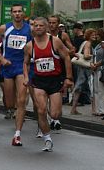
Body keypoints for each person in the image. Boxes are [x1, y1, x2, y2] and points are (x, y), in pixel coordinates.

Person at [23, 17, 73, 152]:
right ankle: (47, 138)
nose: (37, 28)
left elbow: (67, 57)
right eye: (35, 26)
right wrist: (26, 77)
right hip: (39, 81)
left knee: (55, 114)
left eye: (40, 26)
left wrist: (69, 77)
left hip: (55, 80)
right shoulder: (29, 45)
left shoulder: (55, 41)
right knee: (41, 110)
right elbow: (26, 63)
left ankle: (53, 120)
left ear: (46, 28)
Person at [0, 3, 32, 146]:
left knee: (21, 99)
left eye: (20, 11)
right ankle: (13, 109)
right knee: (9, 103)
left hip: (22, 66)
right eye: (15, 12)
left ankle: (18, 131)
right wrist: (1, 59)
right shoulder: (4, 28)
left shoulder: (29, 29)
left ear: (23, 13)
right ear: (11, 14)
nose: (17, 14)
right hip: (8, 66)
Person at [70, 28, 95, 115]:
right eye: (93, 35)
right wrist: (93, 56)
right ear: (88, 36)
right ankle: (73, 109)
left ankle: (73, 108)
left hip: (81, 67)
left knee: (79, 88)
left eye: (95, 35)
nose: (94, 36)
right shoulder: (88, 43)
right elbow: (86, 56)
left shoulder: (84, 42)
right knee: (80, 87)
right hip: (84, 68)